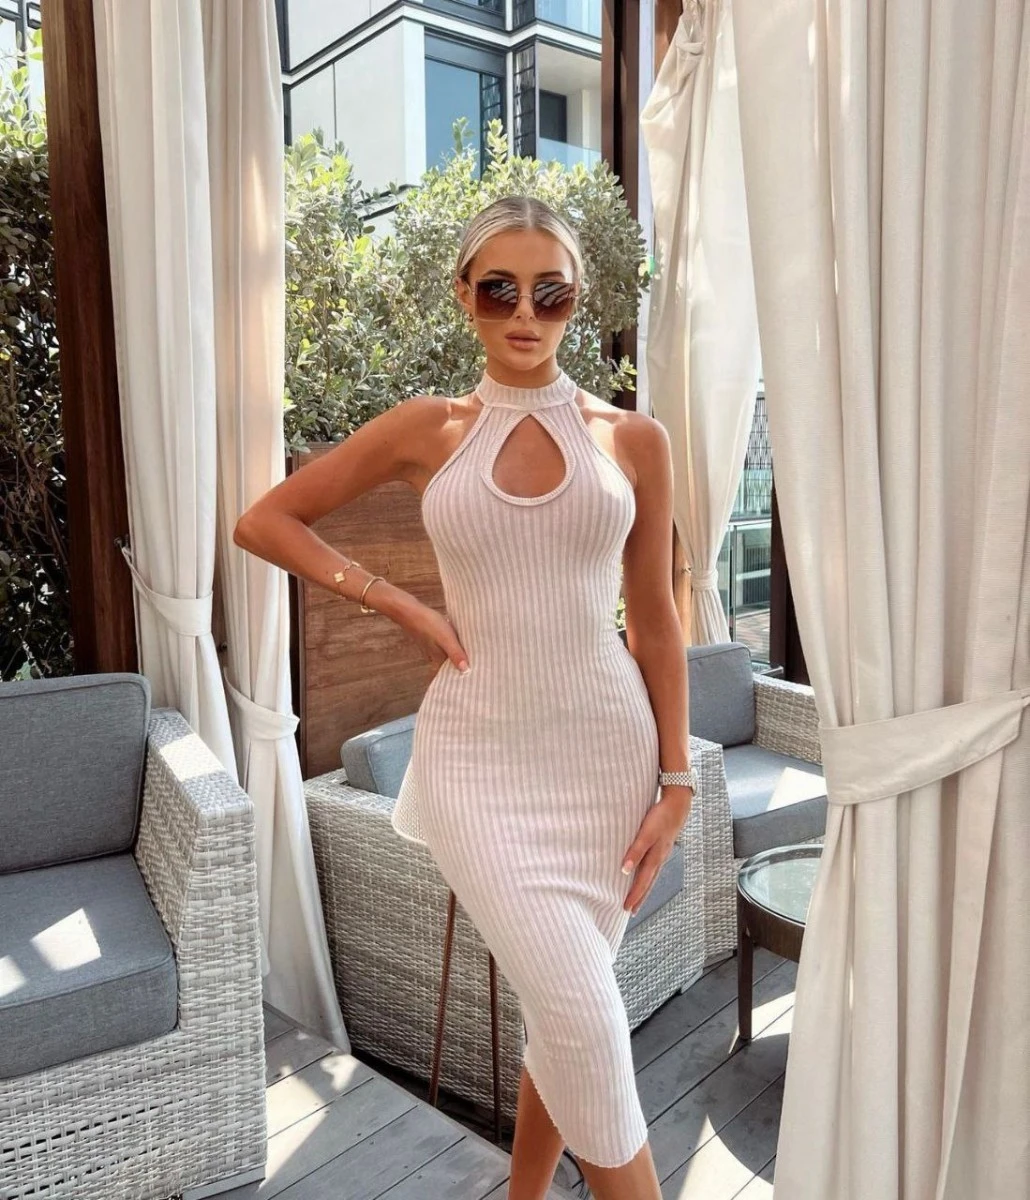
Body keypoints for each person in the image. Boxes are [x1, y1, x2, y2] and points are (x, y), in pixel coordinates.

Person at [234, 194, 694, 1200]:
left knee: (562, 1012)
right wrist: (397, 601)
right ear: (463, 295)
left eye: (549, 293)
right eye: (498, 290)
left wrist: (677, 780)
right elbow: (265, 521)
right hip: (478, 765)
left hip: (607, 761)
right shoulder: (428, 429)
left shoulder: (634, 439)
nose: (524, 313)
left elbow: (655, 619)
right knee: (585, 1016)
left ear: (577, 301)